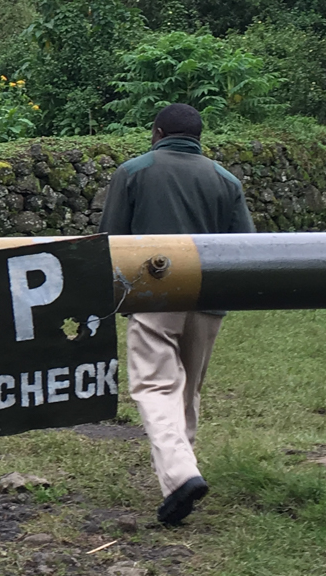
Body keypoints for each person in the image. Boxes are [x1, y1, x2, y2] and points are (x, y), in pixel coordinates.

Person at [99, 103, 254, 526]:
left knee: (154, 385)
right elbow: (249, 248)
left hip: (155, 296)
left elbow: (110, 238)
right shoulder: (226, 180)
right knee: (187, 390)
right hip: (210, 300)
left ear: (158, 131)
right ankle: (180, 479)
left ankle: (182, 475)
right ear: (198, 136)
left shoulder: (134, 171)